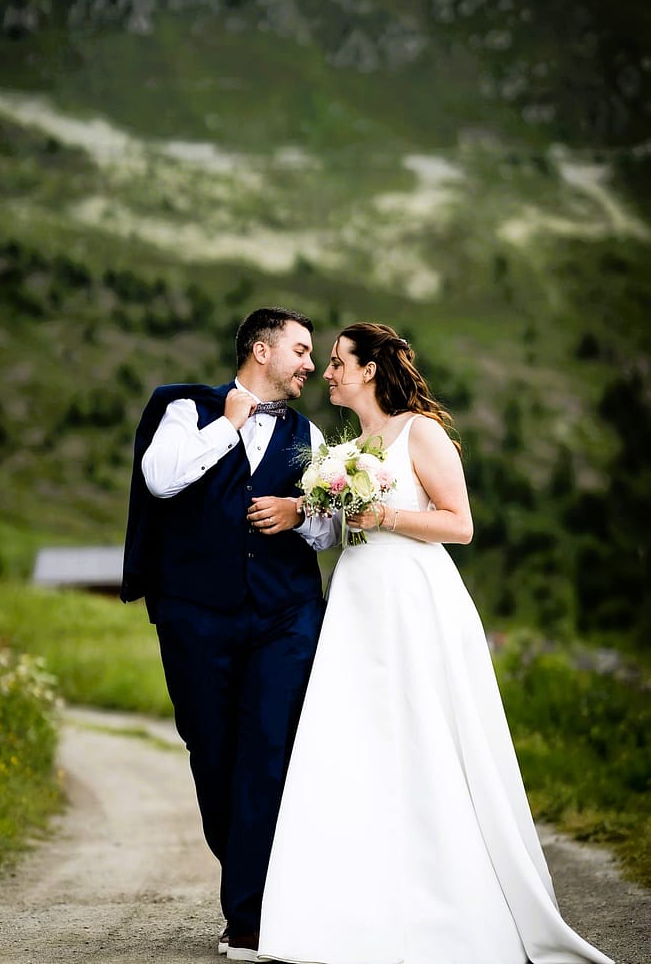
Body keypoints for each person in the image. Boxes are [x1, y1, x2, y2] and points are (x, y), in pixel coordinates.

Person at [258, 322, 614, 964]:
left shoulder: (418, 430)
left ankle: (446, 900)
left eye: (338, 362)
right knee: (355, 741)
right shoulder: (351, 446)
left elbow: (461, 524)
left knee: (425, 734)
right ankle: (353, 910)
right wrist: (315, 513)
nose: (329, 372)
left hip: (412, 598)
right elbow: (344, 529)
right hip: (359, 600)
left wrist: (383, 515)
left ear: (369, 370)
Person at [120, 307, 338, 962]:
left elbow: (331, 530)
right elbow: (162, 478)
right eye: (300, 350)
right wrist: (230, 425)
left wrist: (299, 512)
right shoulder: (183, 408)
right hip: (196, 614)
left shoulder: (310, 433)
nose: (309, 364)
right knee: (211, 754)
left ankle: (251, 916)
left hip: (284, 614)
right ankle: (251, 877)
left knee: (268, 753)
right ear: (261, 349)